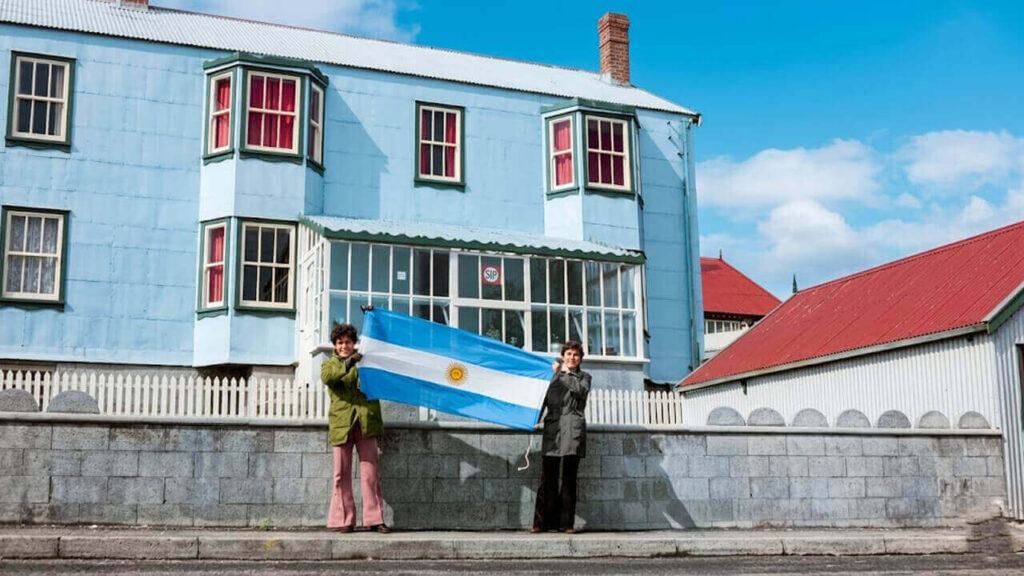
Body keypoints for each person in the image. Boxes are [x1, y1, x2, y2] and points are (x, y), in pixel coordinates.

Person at [321, 323, 390, 534]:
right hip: (342, 424)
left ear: (354, 344)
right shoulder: (329, 365)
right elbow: (329, 378)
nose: (344, 346)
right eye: (340, 343)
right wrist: (349, 364)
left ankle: (375, 519)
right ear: (335, 345)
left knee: (370, 474)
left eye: (348, 342)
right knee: (341, 474)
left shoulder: (365, 362)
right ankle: (344, 520)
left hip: (366, 422)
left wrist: (373, 322)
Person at [531, 340, 591, 534]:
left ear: (580, 359)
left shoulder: (584, 377)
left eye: (575, 355)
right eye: (568, 354)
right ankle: (541, 523)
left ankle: (567, 524)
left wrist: (561, 373)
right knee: (547, 478)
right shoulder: (552, 378)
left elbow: (579, 391)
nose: (572, 358)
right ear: (563, 356)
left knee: (568, 479)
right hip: (553, 430)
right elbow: (541, 401)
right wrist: (534, 419)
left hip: (572, 431)